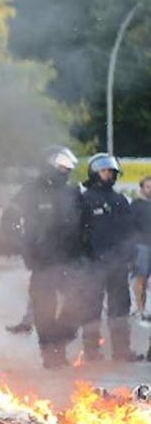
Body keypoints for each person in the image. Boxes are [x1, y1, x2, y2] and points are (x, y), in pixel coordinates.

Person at [15, 146, 84, 369]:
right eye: (62, 167)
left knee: (78, 302)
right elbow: (16, 222)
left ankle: (60, 345)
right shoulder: (32, 190)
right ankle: (49, 353)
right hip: (42, 260)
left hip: (69, 259)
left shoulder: (73, 191)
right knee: (43, 307)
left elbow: (85, 224)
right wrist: (27, 251)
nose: (66, 171)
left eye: (68, 168)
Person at [78, 152, 137, 361]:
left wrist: (130, 253)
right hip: (93, 264)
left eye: (111, 171)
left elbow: (130, 229)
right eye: (104, 171)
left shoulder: (120, 200)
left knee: (120, 308)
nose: (108, 175)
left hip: (118, 264)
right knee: (91, 308)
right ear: (95, 173)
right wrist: (84, 256)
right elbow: (77, 232)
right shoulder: (85, 200)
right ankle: (92, 352)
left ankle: (122, 351)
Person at [128, 176, 151, 323]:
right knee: (140, 278)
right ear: (142, 188)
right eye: (148, 186)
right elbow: (129, 227)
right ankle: (140, 309)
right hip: (141, 246)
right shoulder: (135, 205)